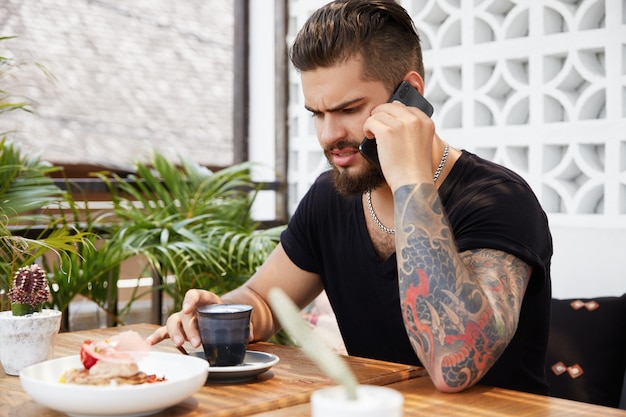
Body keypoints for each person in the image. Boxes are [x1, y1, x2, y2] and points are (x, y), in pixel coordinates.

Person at [148, 0, 552, 395]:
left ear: (408, 96)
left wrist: (409, 176)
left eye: (349, 109)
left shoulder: (500, 200)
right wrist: (215, 314)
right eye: (317, 114)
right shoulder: (329, 198)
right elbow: (263, 300)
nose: (328, 136)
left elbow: (453, 364)